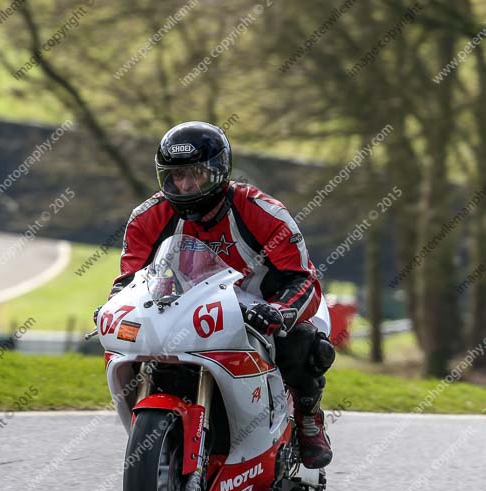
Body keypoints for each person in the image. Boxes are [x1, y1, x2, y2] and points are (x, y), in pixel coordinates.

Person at [103, 121, 335, 468]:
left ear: (219, 171)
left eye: (194, 174)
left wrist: (281, 312)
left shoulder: (263, 211)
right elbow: (129, 279)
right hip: (185, 307)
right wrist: (113, 307)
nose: (184, 186)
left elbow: (303, 279)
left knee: (302, 343)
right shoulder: (147, 217)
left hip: (260, 306)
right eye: (175, 176)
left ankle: (308, 416)